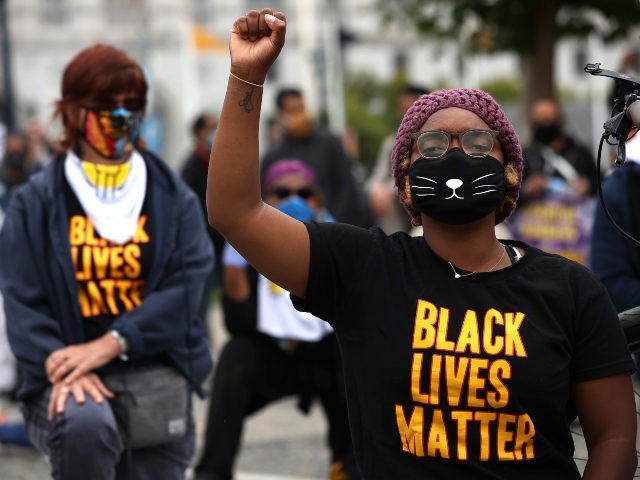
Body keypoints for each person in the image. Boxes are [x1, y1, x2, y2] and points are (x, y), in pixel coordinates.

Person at [206, 9, 637, 479]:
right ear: (406, 182)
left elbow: (613, 439)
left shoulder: (572, 291)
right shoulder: (363, 269)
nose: (454, 153)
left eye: (477, 143)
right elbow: (236, 212)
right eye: (431, 146)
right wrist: (246, 76)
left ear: (510, 172)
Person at [0, 44, 214, 480]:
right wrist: (60, 363)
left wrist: (115, 341)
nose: (121, 116)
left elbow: (190, 283)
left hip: (154, 371)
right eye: (105, 105)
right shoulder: (37, 202)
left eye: (132, 105)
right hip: (69, 376)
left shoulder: (172, 197)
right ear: (73, 111)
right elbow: (22, 296)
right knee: (85, 423)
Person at [194, 158, 359, 480]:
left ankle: (350, 466)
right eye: (282, 192)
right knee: (234, 359)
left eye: (304, 192)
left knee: (350, 363)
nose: (293, 200)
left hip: (325, 358)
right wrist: (235, 262)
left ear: (318, 200)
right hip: (272, 356)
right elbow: (238, 321)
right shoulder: (247, 248)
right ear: (266, 198)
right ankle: (212, 471)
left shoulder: (338, 242)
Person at [261, 87, 374, 228]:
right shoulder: (274, 155)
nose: (300, 115)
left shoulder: (329, 143)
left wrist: (331, 224)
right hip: (284, 231)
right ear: (280, 115)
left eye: (301, 108)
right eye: (293, 110)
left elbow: (346, 187)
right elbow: (264, 199)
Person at [508, 98, 598, 265]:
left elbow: (599, 184)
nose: (545, 124)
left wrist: (587, 185)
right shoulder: (523, 157)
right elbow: (509, 199)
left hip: (576, 249)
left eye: (549, 119)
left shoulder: (580, 153)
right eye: (539, 120)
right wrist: (527, 189)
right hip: (535, 248)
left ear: (561, 120)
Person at [180, 112, 225, 321]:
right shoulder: (190, 170)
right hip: (203, 243)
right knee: (202, 302)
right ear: (198, 133)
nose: (216, 132)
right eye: (211, 128)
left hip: (229, 242)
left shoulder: (225, 162)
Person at [367, 85, 429, 234]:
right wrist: (377, 190)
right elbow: (377, 177)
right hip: (397, 216)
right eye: (403, 108)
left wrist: (389, 188)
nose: (405, 114)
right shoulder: (391, 143)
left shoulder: (436, 143)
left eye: (410, 108)